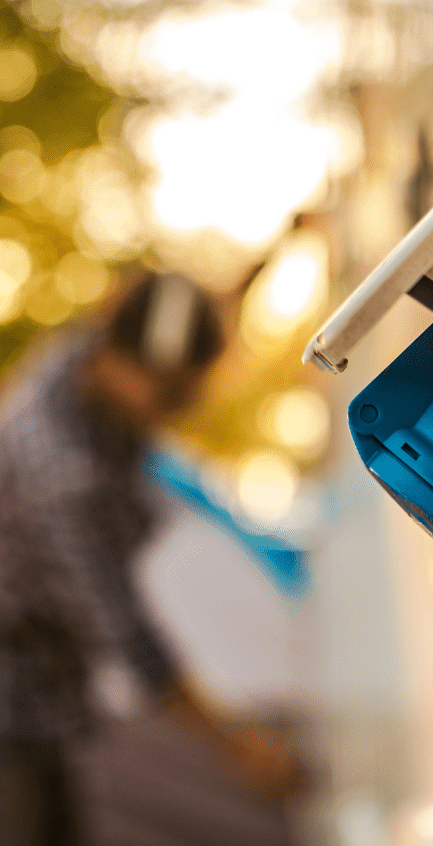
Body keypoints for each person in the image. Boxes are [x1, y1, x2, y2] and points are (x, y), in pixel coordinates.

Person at [0, 271, 299, 846]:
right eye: (170, 393)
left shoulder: (88, 360)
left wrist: (279, 250)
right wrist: (243, 748)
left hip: (50, 695)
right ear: (124, 361)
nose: (179, 411)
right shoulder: (64, 475)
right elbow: (130, 641)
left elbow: (197, 309)